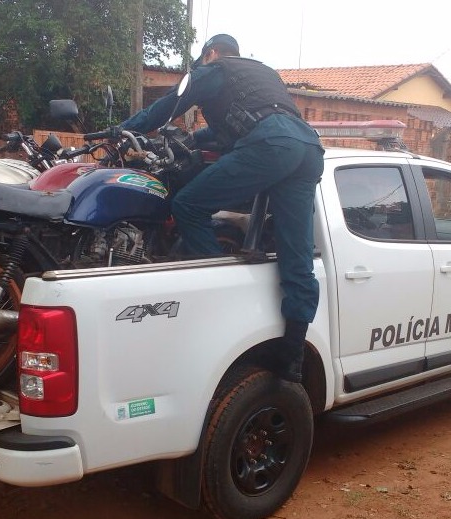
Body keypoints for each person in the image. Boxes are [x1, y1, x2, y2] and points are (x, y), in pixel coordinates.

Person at [117, 34, 324, 384]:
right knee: (297, 255)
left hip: (273, 145)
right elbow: (244, 120)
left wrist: (123, 129)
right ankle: (291, 357)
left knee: (188, 205)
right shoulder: (264, 73)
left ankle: (226, 288)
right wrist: (194, 138)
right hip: (308, 148)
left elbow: (168, 105)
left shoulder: (213, 69)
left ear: (211, 53)